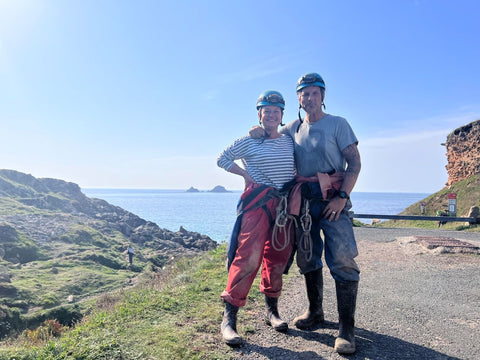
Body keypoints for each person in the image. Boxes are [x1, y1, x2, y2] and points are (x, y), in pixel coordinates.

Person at [250, 73, 361, 354]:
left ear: (323, 96)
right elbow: (271, 133)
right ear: (298, 98)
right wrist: (258, 130)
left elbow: (355, 163)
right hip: (303, 204)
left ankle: (346, 328)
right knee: (308, 256)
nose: (309, 98)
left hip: (332, 200)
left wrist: (342, 197)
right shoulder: (292, 128)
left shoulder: (338, 124)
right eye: (304, 93)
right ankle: (315, 312)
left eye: (314, 93)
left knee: (343, 258)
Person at [217, 90, 296, 346]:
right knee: (248, 257)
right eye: (266, 111)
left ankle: (271, 312)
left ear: (282, 115)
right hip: (258, 203)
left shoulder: (289, 139)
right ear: (259, 114)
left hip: (283, 206)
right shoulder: (249, 141)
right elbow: (222, 158)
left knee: (277, 257)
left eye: (276, 111)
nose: (271, 115)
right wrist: (244, 175)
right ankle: (229, 320)